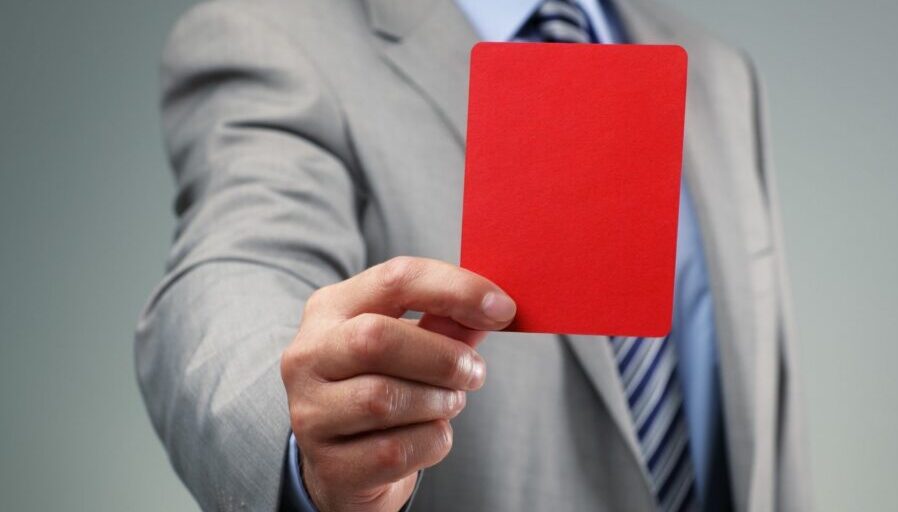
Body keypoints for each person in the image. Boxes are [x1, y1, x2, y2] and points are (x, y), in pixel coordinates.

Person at [135, 0, 812, 510]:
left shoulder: (721, 75)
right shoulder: (275, 38)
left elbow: (769, 429)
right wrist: (304, 430)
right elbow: (232, 276)